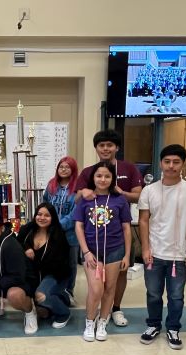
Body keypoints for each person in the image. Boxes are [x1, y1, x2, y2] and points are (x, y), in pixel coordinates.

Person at [76, 129, 142, 327]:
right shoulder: (88, 171)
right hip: (94, 235)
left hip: (118, 232)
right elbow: (78, 196)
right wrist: (85, 191)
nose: (105, 148)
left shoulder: (129, 168)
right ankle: (93, 316)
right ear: (96, 148)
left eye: (109, 145)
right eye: (101, 145)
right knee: (97, 285)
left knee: (119, 275)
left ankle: (115, 308)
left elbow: (139, 196)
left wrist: (121, 193)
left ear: (117, 148)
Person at [138, 144, 186, 349]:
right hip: (154, 254)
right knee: (153, 293)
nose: (171, 166)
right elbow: (144, 221)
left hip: (179, 256)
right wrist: (145, 249)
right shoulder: (149, 190)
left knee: (176, 296)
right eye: (167, 161)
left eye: (176, 162)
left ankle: (173, 327)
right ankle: (154, 324)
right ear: (160, 163)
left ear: (182, 164)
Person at [74, 162, 132, 341]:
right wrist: (85, 252)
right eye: (99, 176)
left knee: (109, 289)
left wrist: (127, 255)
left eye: (107, 176)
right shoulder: (86, 199)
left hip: (115, 250)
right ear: (93, 178)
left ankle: (103, 322)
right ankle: (90, 321)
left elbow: (127, 228)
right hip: (92, 251)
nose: (103, 179)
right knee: (96, 288)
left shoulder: (119, 199)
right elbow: (78, 226)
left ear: (112, 178)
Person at [17, 203, 72, 328]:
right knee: (43, 312)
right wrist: (26, 248)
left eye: (47, 215)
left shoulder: (58, 235)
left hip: (56, 274)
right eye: (39, 214)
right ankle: (62, 297)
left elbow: (59, 265)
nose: (42, 218)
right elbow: (18, 242)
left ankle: (64, 313)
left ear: (53, 218)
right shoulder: (27, 229)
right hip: (34, 274)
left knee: (42, 295)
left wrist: (41, 286)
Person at [43, 156, 80, 302]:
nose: (63, 169)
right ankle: (54, 290)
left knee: (70, 264)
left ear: (73, 170)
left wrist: (57, 225)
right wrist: (46, 222)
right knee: (54, 262)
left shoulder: (78, 187)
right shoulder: (51, 185)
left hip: (70, 234)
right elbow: (45, 204)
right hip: (51, 232)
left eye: (67, 167)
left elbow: (75, 213)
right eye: (61, 167)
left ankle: (68, 291)